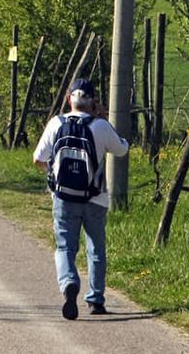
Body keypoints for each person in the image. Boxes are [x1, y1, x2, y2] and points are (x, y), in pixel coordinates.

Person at [32, 78, 130, 320]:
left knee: (65, 246)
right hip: (96, 197)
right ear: (93, 101)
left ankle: (68, 283)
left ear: (68, 99)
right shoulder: (100, 126)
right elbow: (122, 149)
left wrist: (54, 171)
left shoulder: (56, 123)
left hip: (64, 196)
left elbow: (37, 158)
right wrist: (104, 119)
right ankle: (96, 299)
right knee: (96, 247)